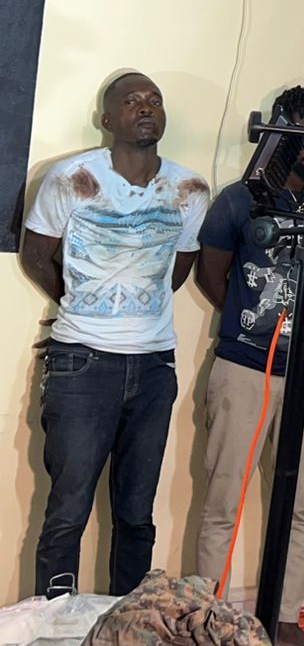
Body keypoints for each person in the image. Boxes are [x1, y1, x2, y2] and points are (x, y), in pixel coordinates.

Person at [194, 85, 304, 646]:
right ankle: (207, 619)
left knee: (298, 503)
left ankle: (286, 618)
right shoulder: (239, 201)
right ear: (280, 132)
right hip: (245, 369)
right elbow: (212, 275)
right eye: (303, 132)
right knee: (224, 499)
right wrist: (254, 322)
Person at [21, 72, 209, 597]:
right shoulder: (71, 177)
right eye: (131, 101)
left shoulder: (190, 189)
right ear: (107, 120)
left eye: (154, 101)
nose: (145, 108)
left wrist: (132, 306)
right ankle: (56, 624)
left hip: (154, 366)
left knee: (136, 513)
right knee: (68, 510)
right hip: (81, 362)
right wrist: (85, 301)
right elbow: (36, 255)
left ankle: (128, 623)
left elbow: (178, 268)